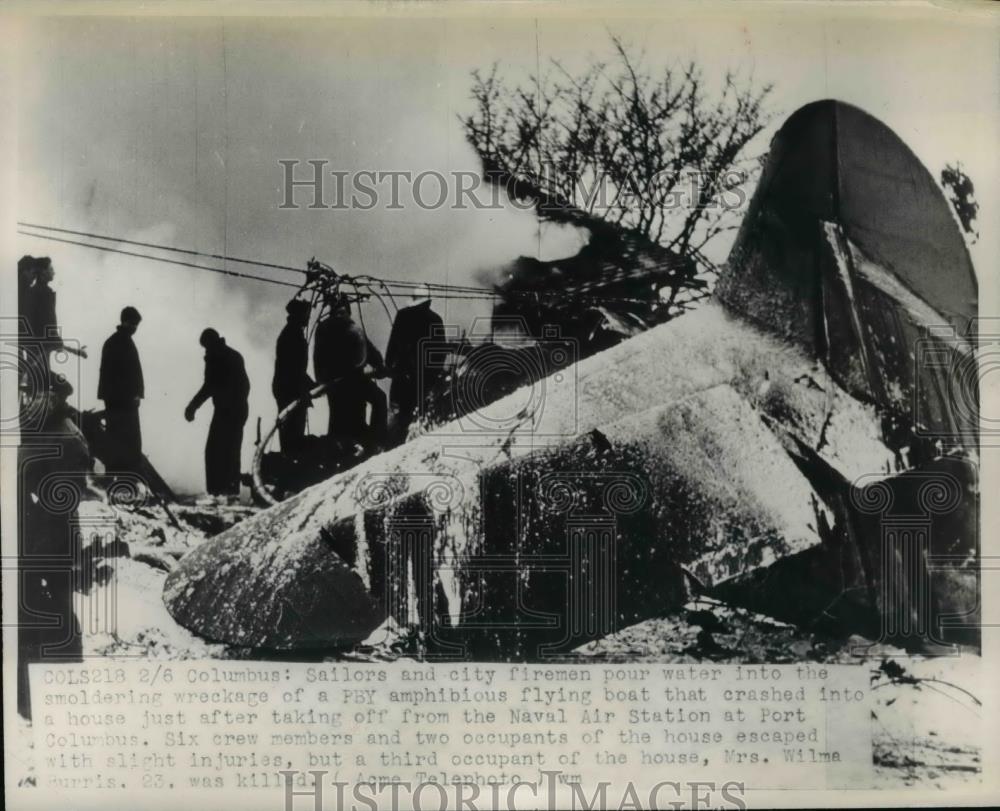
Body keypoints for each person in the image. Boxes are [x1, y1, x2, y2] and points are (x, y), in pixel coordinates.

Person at [18, 376, 88, 718]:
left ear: (56, 397)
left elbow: (62, 499)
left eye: (39, 395)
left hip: (52, 540)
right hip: (34, 538)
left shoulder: (67, 437)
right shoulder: (36, 430)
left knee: (56, 612)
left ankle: (62, 696)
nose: (31, 401)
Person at [184, 329, 250, 499]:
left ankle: (217, 493)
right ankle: (230, 492)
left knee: (214, 451)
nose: (205, 351)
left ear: (210, 343)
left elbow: (209, 386)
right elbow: (245, 385)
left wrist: (192, 406)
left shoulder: (216, 357)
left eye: (205, 346)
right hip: (239, 409)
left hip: (226, 411)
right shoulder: (234, 355)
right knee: (231, 450)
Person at [385, 284, 443, 444]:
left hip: (402, 377)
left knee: (398, 417)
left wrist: (389, 365)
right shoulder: (435, 320)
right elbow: (440, 353)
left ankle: (391, 446)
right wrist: (434, 376)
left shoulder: (402, 315)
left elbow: (393, 345)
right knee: (417, 417)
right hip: (423, 379)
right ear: (428, 302)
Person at [313, 295, 368, 456]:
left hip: (336, 382)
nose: (341, 315)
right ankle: (351, 448)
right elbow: (364, 354)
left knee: (341, 414)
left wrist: (320, 380)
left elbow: (317, 357)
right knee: (348, 413)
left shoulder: (325, 328)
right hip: (346, 381)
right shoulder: (349, 328)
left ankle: (341, 449)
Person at [23, 256, 87, 383]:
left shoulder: (37, 292)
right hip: (39, 351)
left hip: (37, 350)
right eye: (51, 269)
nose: (54, 272)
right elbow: (48, 324)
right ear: (42, 273)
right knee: (42, 389)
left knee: (41, 387)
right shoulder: (43, 294)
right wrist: (73, 350)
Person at [97, 306, 144, 473]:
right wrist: (134, 395)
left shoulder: (117, 341)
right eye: (132, 323)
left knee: (120, 442)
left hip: (120, 401)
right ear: (124, 322)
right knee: (127, 443)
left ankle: (121, 479)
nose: (135, 328)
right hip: (123, 403)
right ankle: (126, 479)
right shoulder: (120, 342)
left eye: (136, 325)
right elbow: (122, 374)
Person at [271, 299, 313, 455]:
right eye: (306, 314)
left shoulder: (292, 332)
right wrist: (309, 385)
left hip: (288, 387)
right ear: (298, 315)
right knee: (292, 429)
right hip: (290, 389)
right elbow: (293, 368)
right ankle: (291, 462)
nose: (308, 318)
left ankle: (291, 459)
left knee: (291, 429)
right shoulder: (292, 335)